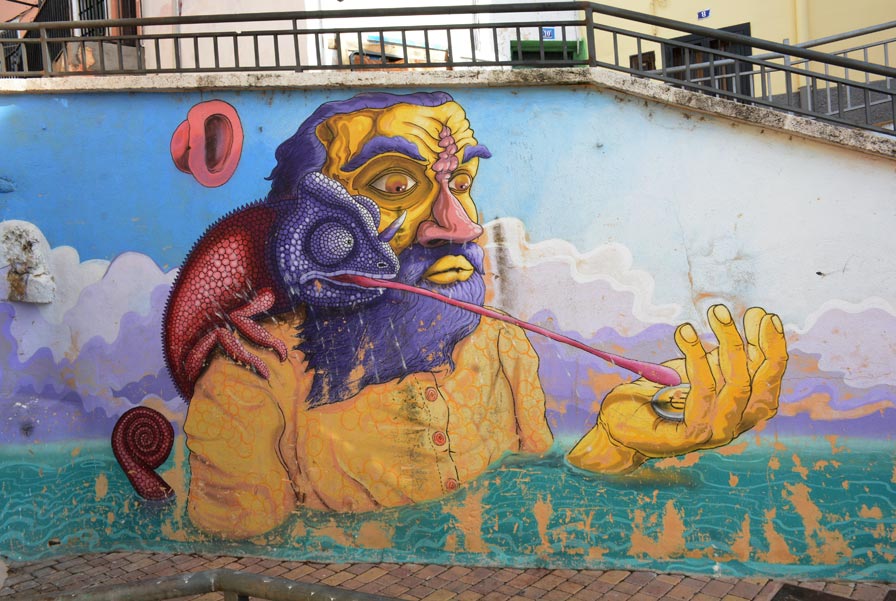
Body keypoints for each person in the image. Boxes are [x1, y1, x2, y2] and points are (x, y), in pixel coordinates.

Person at [182, 92, 788, 539]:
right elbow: (245, 567)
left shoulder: (499, 345)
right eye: (395, 185)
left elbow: (526, 503)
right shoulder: (253, 382)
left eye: (464, 181)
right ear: (310, 224)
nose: (460, 225)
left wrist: (614, 447)